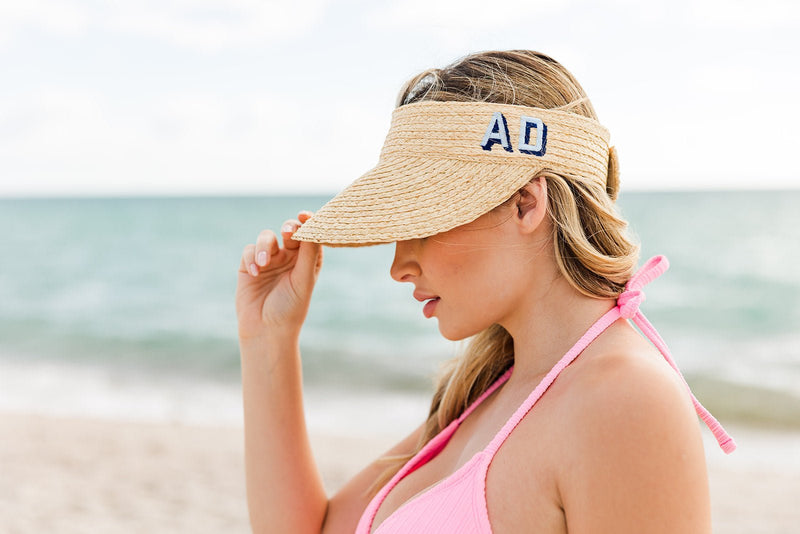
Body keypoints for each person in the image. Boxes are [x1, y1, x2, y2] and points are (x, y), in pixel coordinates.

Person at [235, 50, 735, 534]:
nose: (399, 266)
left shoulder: (624, 400)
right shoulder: (491, 387)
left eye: (423, 222)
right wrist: (267, 337)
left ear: (524, 203)